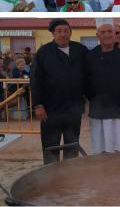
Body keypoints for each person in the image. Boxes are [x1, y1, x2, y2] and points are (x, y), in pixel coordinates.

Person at [30, 20, 88, 164]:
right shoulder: (43, 52)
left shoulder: (80, 50)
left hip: (73, 109)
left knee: (72, 144)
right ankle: (51, 177)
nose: (63, 34)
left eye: (66, 31)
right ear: (53, 33)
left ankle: (70, 175)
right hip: (50, 109)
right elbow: (35, 79)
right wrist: (38, 105)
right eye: (59, 31)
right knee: (51, 146)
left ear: (70, 32)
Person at [85, 20, 120, 154]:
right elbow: (85, 80)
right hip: (99, 110)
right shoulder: (89, 57)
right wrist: (95, 97)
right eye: (103, 32)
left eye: (110, 31)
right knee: (100, 149)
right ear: (98, 35)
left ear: (115, 35)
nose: (107, 35)